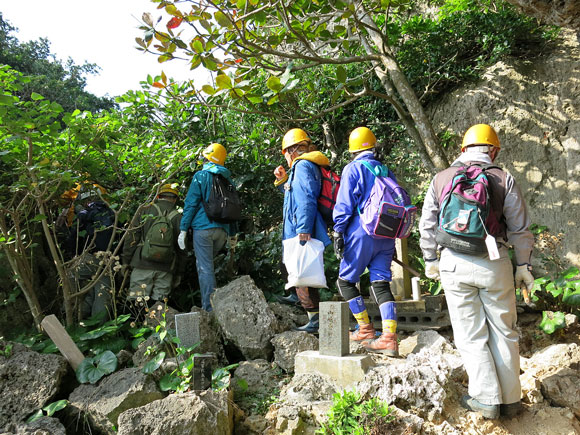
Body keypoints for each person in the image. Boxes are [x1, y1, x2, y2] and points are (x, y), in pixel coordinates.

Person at [418, 124, 534, 419]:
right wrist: (523, 266)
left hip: (454, 263)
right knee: (504, 330)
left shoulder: (441, 179)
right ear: (493, 150)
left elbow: (428, 225)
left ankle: (486, 399)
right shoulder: (503, 178)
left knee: (470, 333)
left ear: (463, 149)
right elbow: (520, 228)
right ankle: (510, 400)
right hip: (494, 263)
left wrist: (430, 259)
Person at [332, 126, 399, 356]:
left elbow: (344, 203)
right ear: (373, 146)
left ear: (353, 150)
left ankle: (365, 329)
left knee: (345, 282)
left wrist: (338, 231)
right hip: (387, 233)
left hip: (362, 233)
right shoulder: (386, 170)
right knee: (380, 284)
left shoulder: (353, 169)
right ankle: (389, 338)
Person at [273, 128, 331, 333]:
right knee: (301, 272)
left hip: (301, 230)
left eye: (288, 151)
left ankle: (315, 320)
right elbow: (293, 195)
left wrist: (304, 229)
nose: (288, 155)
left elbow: (306, 198)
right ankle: (310, 313)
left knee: (303, 274)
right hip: (297, 229)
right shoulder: (303, 166)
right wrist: (282, 181)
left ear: (292, 150)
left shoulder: (303, 165)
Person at [178, 143, 236, 312]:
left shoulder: (201, 176)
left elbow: (191, 204)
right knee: (208, 265)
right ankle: (214, 302)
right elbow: (233, 206)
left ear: (206, 158)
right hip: (222, 231)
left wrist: (183, 229)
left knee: (205, 268)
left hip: (203, 229)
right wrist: (232, 233)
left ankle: (209, 309)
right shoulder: (228, 179)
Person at [122, 183, 183, 307]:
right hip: (166, 268)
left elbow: (132, 239)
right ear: (175, 199)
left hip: (141, 263)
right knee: (159, 306)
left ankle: (136, 325)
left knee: (137, 302)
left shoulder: (144, 210)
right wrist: (179, 273)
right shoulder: (179, 218)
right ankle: (153, 326)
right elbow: (182, 249)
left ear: (157, 196)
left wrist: (125, 262)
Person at [64, 184, 115, 321]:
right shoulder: (112, 212)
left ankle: (76, 316)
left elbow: (74, 239)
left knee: (69, 278)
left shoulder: (85, 214)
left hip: (89, 257)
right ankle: (100, 327)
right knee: (103, 294)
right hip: (110, 259)